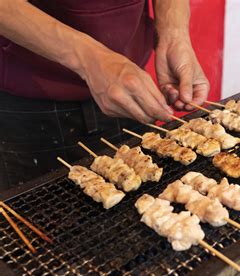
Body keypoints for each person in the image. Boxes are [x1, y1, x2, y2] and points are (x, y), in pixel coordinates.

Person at [0, 0, 209, 192]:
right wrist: (88, 58)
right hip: (29, 101)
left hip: (129, 85)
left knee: (148, 196)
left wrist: (173, 33)